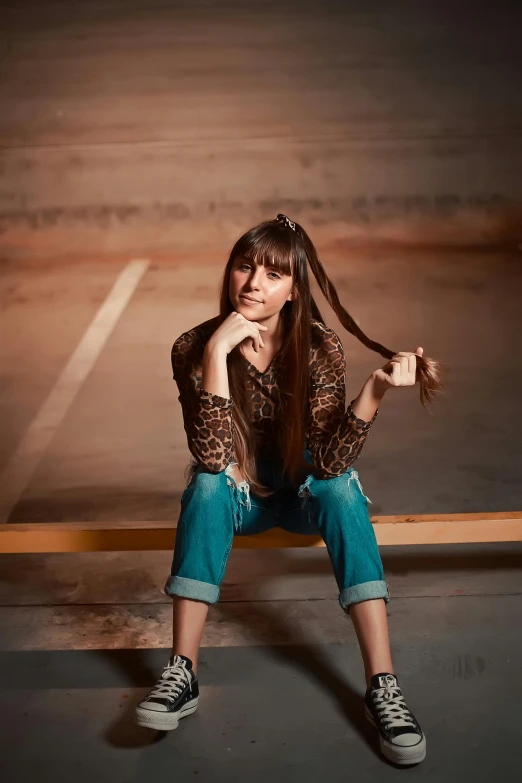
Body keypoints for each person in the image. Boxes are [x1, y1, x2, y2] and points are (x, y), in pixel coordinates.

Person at [136, 214, 442, 765]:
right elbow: (209, 456)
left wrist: (373, 391)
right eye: (245, 267)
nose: (254, 283)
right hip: (239, 501)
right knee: (206, 486)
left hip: (303, 497)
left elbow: (326, 465)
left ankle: (383, 686)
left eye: (274, 275)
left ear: (294, 289)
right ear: (229, 272)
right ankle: (182, 672)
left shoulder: (320, 349)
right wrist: (215, 356)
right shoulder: (192, 347)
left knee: (341, 491)